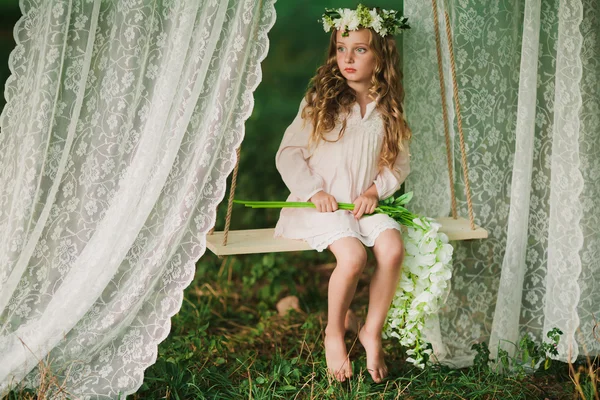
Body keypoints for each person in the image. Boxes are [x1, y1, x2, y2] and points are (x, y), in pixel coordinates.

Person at [274, 5, 412, 383]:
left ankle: (370, 329)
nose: (347, 58)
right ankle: (334, 332)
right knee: (352, 257)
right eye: (340, 48)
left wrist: (375, 189)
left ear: (381, 56)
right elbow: (288, 155)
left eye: (360, 49)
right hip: (319, 205)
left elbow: (398, 165)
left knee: (392, 248)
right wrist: (313, 190)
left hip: (359, 205)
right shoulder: (322, 101)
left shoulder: (387, 109)